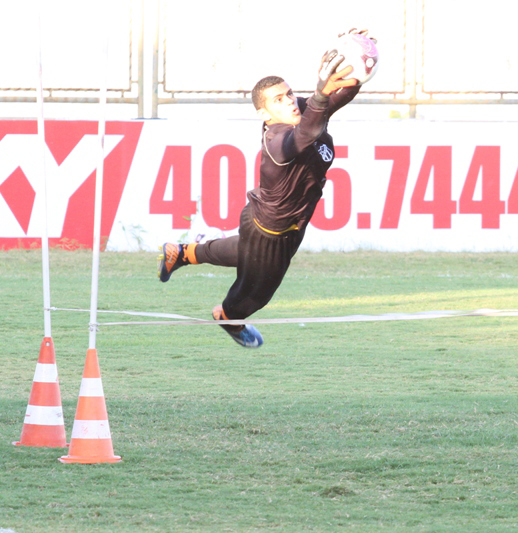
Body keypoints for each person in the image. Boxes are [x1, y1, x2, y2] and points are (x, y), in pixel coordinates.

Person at [157, 30, 370, 347]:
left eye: (289, 94)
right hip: (272, 230)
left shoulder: (301, 110)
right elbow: (306, 133)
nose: (289, 102)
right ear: (264, 113)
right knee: (256, 294)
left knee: (245, 251)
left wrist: (355, 59)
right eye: (278, 100)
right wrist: (321, 94)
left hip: (272, 220)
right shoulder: (277, 140)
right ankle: (228, 316)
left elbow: (335, 97)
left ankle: (183, 253)